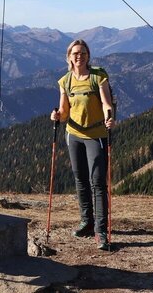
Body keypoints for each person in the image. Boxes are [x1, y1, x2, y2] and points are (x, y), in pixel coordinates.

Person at [50, 39, 115, 250]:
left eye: (83, 53)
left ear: (88, 56)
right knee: (80, 180)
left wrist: (109, 116)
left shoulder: (98, 77)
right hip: (73, 135)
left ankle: (101, 230)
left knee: (97, 182)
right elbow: (64, 112)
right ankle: (86, 222)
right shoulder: (65, 82)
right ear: (69, 57)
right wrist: (57, 116)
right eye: (76, 53)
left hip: (96, 135)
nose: (80, 56)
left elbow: (106, 103)